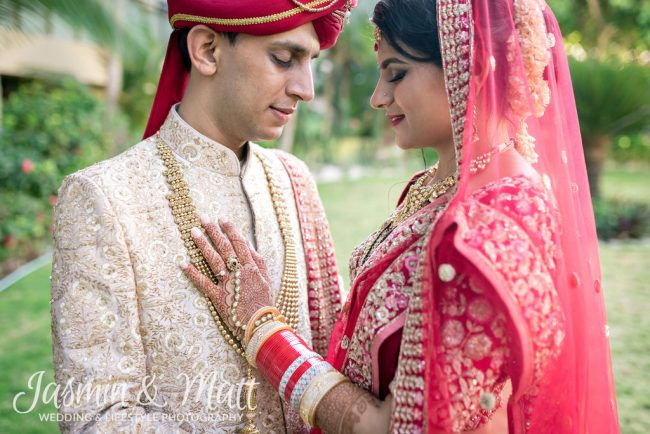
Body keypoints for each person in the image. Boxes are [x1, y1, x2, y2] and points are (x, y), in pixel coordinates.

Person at [183, 0, 621, 432]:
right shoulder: (432, 187)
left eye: (396, 73)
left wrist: (262, 330)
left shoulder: (490, 226)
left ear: (472, 67)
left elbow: (397, 427)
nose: (378, 97)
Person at [50, 0, 356, 432]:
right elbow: (95, 416)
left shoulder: (294, 182)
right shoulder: (104, 197)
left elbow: (331, 349)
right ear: (208, 50)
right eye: (284, 59)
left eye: (310, 63)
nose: (306, 88)